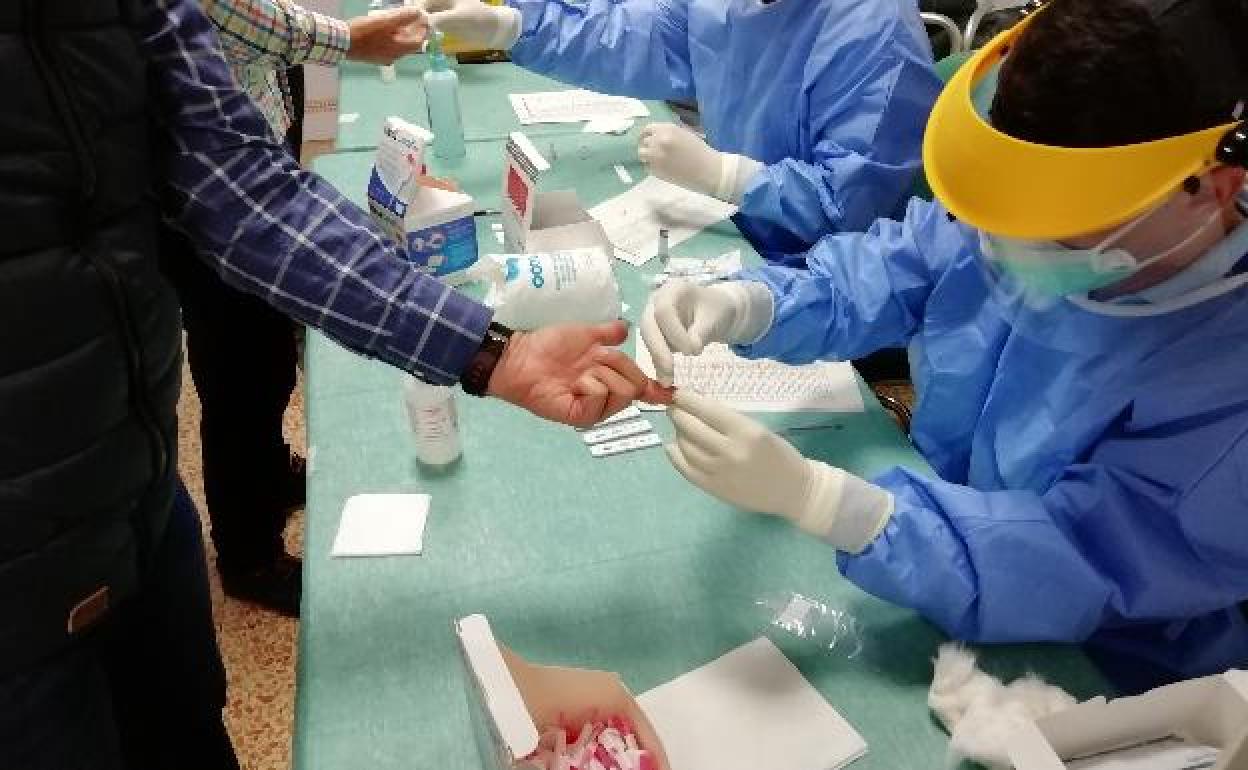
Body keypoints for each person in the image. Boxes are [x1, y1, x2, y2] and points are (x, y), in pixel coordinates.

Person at [0, 1, 666, 767]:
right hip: (19, 574)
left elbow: (244, 192)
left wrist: (492, 353)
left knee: (185, 725)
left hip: (130, 485)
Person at [641, 0, 1248, 690]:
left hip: (1107, 673)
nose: (1010, 244)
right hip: (937, 550)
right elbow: (900, 265)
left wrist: (837, 506)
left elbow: (1089, 559)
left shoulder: (1224, 381)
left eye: (1061, 231)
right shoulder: (1036, 204)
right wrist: (753, 304)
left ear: (1216, 188)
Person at [165, 0, 430, 617]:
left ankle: (269, 475)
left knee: (264, 354)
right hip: (210, 176)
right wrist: (349, 38)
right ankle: (248, 554)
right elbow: (236, 15)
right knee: (239, 369)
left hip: (247, 142)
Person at [422, 0, 941, 266]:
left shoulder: (874, 36)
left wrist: (728, 175)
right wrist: (515, 27)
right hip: (731, 224)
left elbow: (849, 204)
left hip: (818, 271)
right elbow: (641, 37)